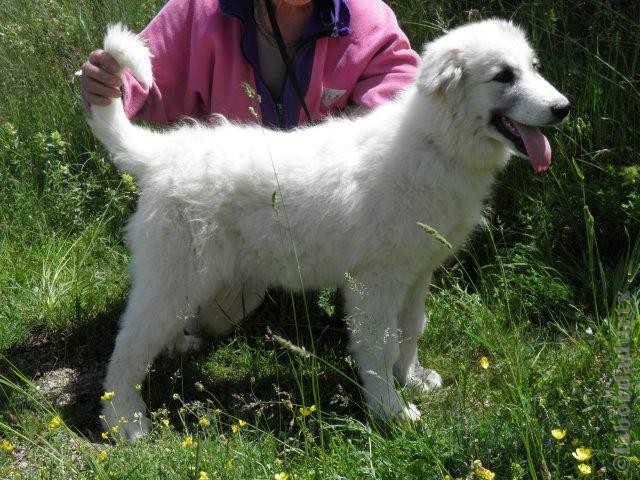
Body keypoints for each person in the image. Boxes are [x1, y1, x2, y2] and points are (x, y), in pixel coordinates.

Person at [81, 0, 422, 341]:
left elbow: (407, 101)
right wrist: (110, 86)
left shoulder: (367, 18)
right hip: (237, 218)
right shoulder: (200, 10)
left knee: (390, 256)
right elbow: (144, 75)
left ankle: (359, 305)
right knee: (209, 316)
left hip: (326, 219)